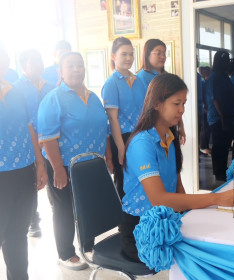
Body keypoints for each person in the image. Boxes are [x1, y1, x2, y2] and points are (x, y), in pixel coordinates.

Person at [120, 73, 234, 263]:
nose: (182, 110)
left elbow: (177, 184)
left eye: (184, 103)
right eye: (176, 103)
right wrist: (216, 198)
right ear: (156, 103)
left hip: (167, 220)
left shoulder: (169, 137)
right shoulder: (142, 143)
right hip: (143, 230)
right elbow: (159, 199)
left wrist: (188, 216)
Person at [38, 52, 110, 270]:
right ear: (60, 71)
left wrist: (107, 158)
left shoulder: (93, 96)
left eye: (80, 65)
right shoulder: (54, 98)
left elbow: (104, 130)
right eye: (70, 66)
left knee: (88, 207)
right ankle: (65, 253)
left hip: (92, 165)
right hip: (65, 166)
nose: (76, 69)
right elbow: (48, 138)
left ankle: (88, 246)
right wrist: (58, 168)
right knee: (64, 210)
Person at [0, 46, 47, 280]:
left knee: (17, 234)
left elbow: (29, 126)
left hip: (22, 171)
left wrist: (39, 161)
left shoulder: (15, 90)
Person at [14, 49, 55, 238]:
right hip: (29, 143)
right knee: (32, 182)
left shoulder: (50, 86)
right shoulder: (16, 89)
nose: (39, 64)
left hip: (50, 140)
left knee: (52, 177)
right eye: (34, 62)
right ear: (23, 66)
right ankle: (33, 221)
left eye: (40, 60)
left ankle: (57, 210)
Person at [102, 37, 147, 198]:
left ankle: (140, 219)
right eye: (124, 54)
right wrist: (121, 148)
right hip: (122, 138)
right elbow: (113, 119)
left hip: (140, 135)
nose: (129, 58)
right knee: (123, 182)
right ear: (113, 56)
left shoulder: (138, 80)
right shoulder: (111, 83)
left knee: (142, 178)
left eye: (131, 54)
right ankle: (124, 221)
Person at [137, 39, 186, 144]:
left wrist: (180, 126)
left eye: (164, 53)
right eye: (158, 53)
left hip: (169, 125)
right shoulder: (141, 77)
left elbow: (177, 103)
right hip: (152, 127)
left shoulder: (166, 76)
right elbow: (144, 107)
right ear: (147, 54)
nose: (163, 57)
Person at [207, 51, 234, 182]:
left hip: (227, 115)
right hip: (218, 118)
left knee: (225, 145)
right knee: (219, 146)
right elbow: (216, 99)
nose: (229, 63)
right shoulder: (214, 77)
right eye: (226, 60)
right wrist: (223, 117)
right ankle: (219, 173)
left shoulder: (224, 76)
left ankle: (223, 169)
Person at [199, 66, 211, 155]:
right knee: (205, 129)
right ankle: (203, 147)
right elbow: (202, 96)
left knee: (208, 129)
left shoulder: (209, 82)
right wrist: (205, 106)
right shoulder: (202, 83)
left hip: (210, 108)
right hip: (205, 109)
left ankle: (206, 146)